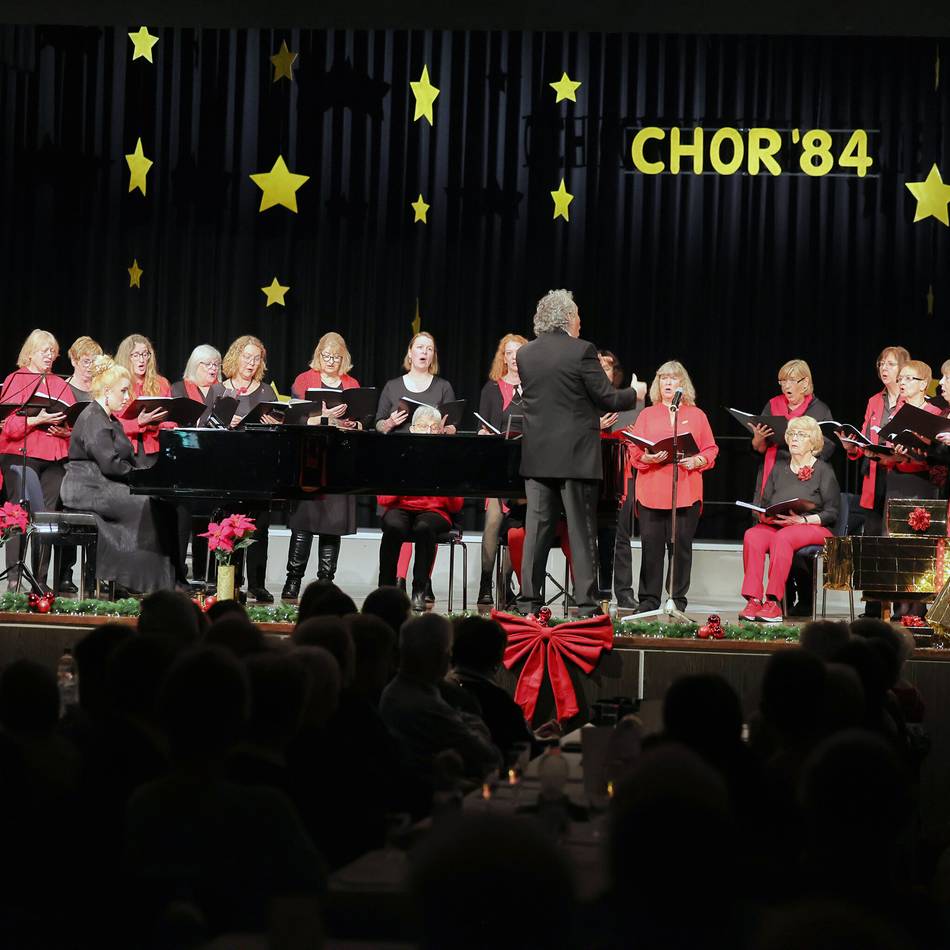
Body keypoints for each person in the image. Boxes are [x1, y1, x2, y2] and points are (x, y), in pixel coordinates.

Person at [514, 290, 639, 617]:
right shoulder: (582, 351)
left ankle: (528, 603)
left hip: (538, 457)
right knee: (582, 532)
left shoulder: (526, 354)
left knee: (536, 533)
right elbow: (608, 399)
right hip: (576, 458)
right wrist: (635, 394)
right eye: (578, 315)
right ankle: (585, 605)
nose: (580, 321)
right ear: (567, 317)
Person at [59, 356, 176, 593]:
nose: (126, 397)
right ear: (106, 390)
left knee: (161, 504)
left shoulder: (109, 418)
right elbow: (110, 464)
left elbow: (123, 460)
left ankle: (160, 581)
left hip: (103, 483)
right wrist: (138, 478)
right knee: (143, 505)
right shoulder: (93, 417)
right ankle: (130, 580)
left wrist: (146, 476)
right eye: (123, 391)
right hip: (87, 487)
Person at [627, 361, 718, 614]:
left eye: (673, 378)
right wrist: (646, 458)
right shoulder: (647, 414)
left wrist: (698, 459)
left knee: (681, 547)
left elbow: (711, 448)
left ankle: (677, 599)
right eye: (663, 378)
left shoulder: (696, 415)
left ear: (682, 383)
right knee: (651, 547)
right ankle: (648, 599)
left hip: (686, 491)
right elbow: (634, 448)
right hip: (652, 490)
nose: (668, 382)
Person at [282, 333, 361, 599]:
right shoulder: (304, 380)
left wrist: (352, 424)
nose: (331, 362)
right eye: (326, 356)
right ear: (319, 355)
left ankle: (325, 583)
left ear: (344, 358)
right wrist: (323, 416)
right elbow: (293, 418)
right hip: (311, 457)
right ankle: (293, 581)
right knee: (304, 521)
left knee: (332, 525)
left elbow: (362, 420)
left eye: (336, 357)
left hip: (338, 459)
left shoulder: (351, 383)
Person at [739, 415, 840, 623]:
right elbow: (765, 502)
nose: (794, 439)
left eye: (801, 435)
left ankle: (774, 602)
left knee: (783, 538)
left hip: (814, 527)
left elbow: (832, 512)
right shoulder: (779, 468)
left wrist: (802, 521)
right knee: (753, 536)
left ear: (813, 441)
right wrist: (767, 515)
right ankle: (753, 600)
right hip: (780, 525)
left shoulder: (823, 470)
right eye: (792, 434)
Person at [379, 613, 499, 784]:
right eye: (448, 649)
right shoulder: (426, 704)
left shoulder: (397, 690)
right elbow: (489, 756)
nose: (450, 657)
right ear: (440, 655)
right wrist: (476, 725)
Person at [0, 329, 75, 591]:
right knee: (17, 513)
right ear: (30, 353)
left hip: (54, 457)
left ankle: (40, 580)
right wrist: (37, 420)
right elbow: (7, 425)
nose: (50, 355)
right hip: (21, 453)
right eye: (44, 350)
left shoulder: (60, 384)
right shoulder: (16, 379)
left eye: (52, 351)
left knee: (47, 517)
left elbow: (75, 421)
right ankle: (13, 578)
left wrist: (68, 430)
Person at [377, 406, 463, 611]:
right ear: (413, 429)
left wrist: (443, 484)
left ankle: (419, 591)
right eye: (423, 426)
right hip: (402, 507)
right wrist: (406, 477)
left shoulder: (447, 457)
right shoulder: (400, 454)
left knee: (424, 528)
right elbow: (383, 498)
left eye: (433, 427)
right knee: (393, 526)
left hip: (435, 512)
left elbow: (456, 504)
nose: (428, 431)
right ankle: (386, 590)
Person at [219, 335, 279, 603]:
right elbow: (205, 427)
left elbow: (279, 428)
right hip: (229, 465)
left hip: (259, 467)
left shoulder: (266, 392)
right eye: (247, 357)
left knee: (259, 527)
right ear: (236, 357)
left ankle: (256, 583)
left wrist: (271, 424)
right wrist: (224, 422)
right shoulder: (220, 390)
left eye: (257, 359)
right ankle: (231, 581)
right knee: (231, 524)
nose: (252, 364)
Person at [476, 332, 528, 605]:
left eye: (519, 352)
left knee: (515, 527)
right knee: (493, 523)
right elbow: (482, 426)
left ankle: (506, 584)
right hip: (498, 467)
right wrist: (483, 434)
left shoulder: (535, 387)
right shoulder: (491, 389)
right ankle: (486, 583)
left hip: (525, 468)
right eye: (509, 353)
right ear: (503, 357)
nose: (514, 358)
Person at [837, 346, 910, 537]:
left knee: (894, 534)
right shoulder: (874, 400)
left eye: (890, 364)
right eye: (881, 364)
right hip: (874, 476)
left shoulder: (911, 400)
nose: (884, 368)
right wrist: (851, 447)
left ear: (903, 369)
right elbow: (865, 437)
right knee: (872, 533)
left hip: (900, 477)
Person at [171, 345, 226, 583]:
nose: (213, 369)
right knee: (183, 518)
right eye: (207, 364)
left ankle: (208, 574)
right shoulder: (179, 388)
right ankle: (178, 572)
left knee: (210, 518)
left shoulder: (222, 391)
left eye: (216, 364)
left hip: (213, 462)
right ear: (195, 365)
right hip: (184, 460)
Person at [750, 358, 834, 503]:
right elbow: (760, 448)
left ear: (805, 383)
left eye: (791, 380)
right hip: (772, 472)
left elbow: (826, 448)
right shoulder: (772, 405)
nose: (785, 386)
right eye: (782, 381)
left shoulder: (819, 410)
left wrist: (800, 446)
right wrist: (758, 439)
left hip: (802, 477)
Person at [375, 331, 457, 434]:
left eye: (429, 349)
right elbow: (378, 424)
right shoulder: (391, 386)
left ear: (433, 357)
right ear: (410, 352)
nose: (424, 352)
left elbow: (452, 427)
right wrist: (389, 423)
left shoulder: (444, 387)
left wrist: (445, 430)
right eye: (420, 347)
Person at [114, 334, 172, 464]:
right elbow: (110, 423)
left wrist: (155, 425)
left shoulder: (161, 383)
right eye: (136, 355)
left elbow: (170, 420)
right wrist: (138, 423)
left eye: (145, 354)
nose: (142, 360)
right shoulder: (116, 383)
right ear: (126, 357)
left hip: (154, 450)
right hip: (123, 449)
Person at [65, 336, 103, 402]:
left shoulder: (100, 386)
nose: (91, 366)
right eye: (86, 361)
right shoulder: (64, 389)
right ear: (74, 361)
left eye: (94, 361)